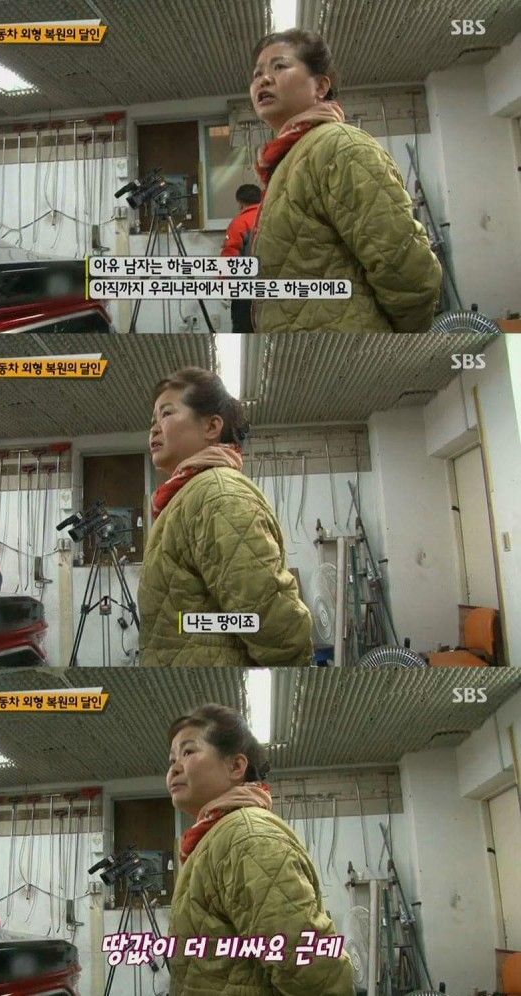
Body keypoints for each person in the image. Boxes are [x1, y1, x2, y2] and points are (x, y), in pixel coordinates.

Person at [249, 29, 442, 334]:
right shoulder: (286, 161)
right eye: (257, 74)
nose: (264, 80)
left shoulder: (339, 146)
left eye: (279, 66)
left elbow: (403, 266)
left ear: (320, 86)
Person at [166, 704, 355, 996]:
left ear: (235, 767)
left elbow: (311, 970)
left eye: (188, 752)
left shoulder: (246, 836)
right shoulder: (214, 838)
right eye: (172, 759)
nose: (174, 768)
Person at [138, 367, 312, 666]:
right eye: (153, 420)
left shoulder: (217, 495)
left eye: (166, 413)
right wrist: (199, 626)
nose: (154, 429)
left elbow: (269, 624)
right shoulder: (187, 496)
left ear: (211, 426)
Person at [220, 184, 262, 333]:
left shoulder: (239, 223)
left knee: (243, 331)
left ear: (240, 203)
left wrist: (224, 286)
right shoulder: (273, 219)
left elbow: (229, 256)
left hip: (245, 292)